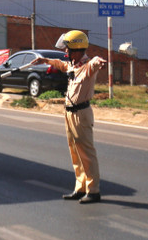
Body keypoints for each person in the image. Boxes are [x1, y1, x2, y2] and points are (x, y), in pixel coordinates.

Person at [27, 30, 107, 204]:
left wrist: (97, 61)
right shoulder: (72, 64)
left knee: (86, 152)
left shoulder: (86, 67)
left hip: (81, 114)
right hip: (69, 113)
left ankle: (93, 191)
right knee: (75, 152)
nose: (65, 53)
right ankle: (81, 188)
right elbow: (61, 64)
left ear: (77, 49)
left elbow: (94, 63)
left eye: (68, 50)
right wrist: (44, 60)